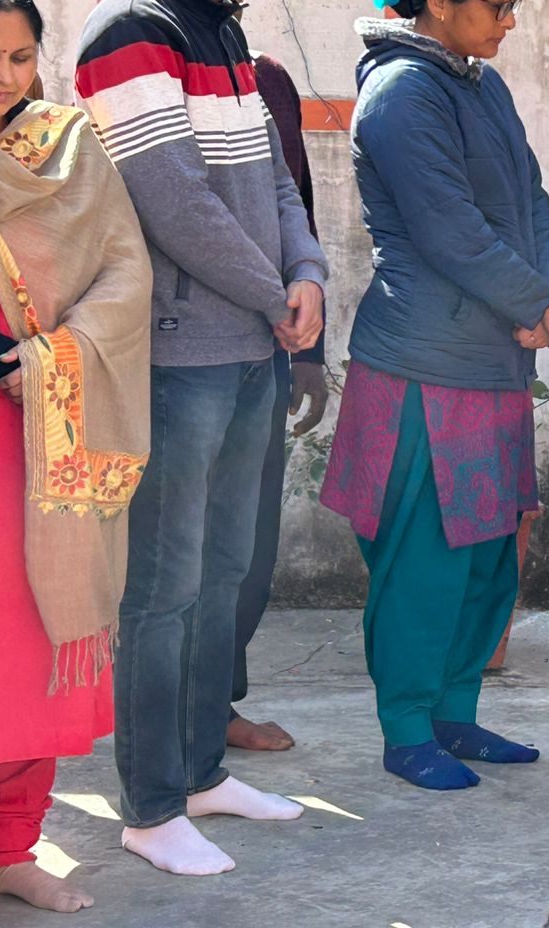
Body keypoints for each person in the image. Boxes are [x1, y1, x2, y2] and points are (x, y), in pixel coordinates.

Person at [75, 0, 328, 876]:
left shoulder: (222, 30)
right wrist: (280, 297)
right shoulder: (129, 32)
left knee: (225, 575)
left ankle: (199, 775)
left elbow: (271, 179)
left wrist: (306, 269)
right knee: (164, 588)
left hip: (253, 348)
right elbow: (173, 204)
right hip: (181, 361)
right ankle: (146, 803)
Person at [319, 0, 549, 792]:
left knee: (487, 551)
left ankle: (455, 715)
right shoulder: (399, 95)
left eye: (512, 5)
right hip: (423, 365)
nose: (507, 21)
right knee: (424, 556)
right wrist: (536, 302)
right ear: (439, 3)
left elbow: (530, 196)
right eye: (495, 5)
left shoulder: (482, 86)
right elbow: (449, 230)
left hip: (493, 358)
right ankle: (405, 728)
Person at [0, 0, 151, 912]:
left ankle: (11, 844)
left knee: (43, 641)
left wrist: (58, 356)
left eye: (21, 56)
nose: (3, 76)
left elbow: (124, 267)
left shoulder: (67, 146)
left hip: (55, 424)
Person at [226, 38, 330, 754]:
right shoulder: (144, 72)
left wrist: (312, 351)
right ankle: (176, 721)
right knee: (189, 554)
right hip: (181, 350)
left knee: (252, 548)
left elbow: (300, 206)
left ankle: (218, 705)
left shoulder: (270, 81)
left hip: (269, 351)